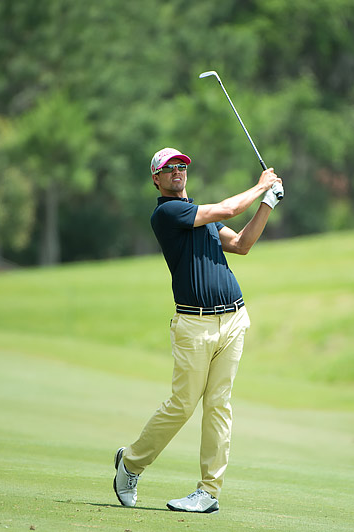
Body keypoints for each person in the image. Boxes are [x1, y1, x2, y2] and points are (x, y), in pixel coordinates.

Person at [113, 147, 283, 513]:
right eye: (168, 168)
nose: (177, 171)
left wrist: (267, 203)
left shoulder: (200, 215)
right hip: (194, 324)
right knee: (182, 405)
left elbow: (242, 244)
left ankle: (208, 492)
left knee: (219, 406)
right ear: (156, 179)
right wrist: (260, 187)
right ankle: (130, 464)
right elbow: (227, 209)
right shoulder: (168, 213)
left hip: (234, 319)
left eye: (181, 166)